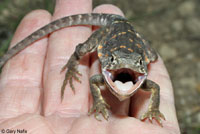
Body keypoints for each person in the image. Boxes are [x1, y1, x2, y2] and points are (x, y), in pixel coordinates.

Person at [0, 0, 180, 133]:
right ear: (108, 64)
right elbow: (94, 81)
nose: (124, 67)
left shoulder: (148, 82)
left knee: (153, 57)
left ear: (144, 71)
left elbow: (154, 87)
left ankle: (135, 54)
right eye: (114, 62)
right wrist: (74, 65)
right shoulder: (101, 74)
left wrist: (153, 108)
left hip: (131, 40)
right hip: (112, 30)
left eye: (140, 64)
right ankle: (73, 60)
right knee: (84, 49)